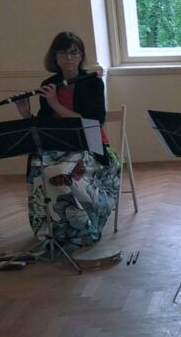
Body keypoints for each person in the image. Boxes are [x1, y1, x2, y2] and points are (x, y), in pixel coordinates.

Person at [15, 32, 121, 248]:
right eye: (63, 53)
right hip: (59, 145)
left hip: (91, 145)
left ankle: (84, 226)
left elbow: (93, 121)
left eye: (74, 52)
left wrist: (55, 103)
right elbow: (45, 125)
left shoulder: (92, 83)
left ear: (81, 56)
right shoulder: (49, 84)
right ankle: (54, 229)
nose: (69, 57)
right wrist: (26, 114)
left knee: (61, 172)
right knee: (39, 169)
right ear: (55, 56)